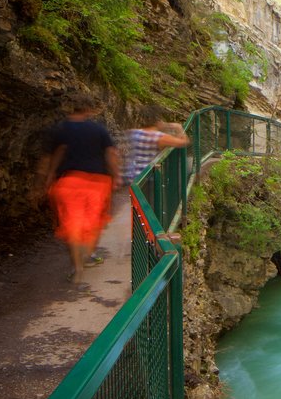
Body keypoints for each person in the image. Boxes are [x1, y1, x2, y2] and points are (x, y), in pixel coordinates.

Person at [34, 95, 121, 284]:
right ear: (89, 111)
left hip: (69, 181)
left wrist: (47, 178)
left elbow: (54, 154)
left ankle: (77, 266)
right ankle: (87, 255)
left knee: (72, 224)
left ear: (70, 110)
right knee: (93, 223)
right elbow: (111, 154)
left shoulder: (60, 130)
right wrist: (117, 176)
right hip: (97, 182)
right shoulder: (99, 130)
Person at [123, 104, 190, 185]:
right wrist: (179, 128)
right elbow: (184, 142)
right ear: (158, 121)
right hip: (146, 179)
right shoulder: (160, 137)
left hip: (130, 177)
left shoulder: (133, 133)